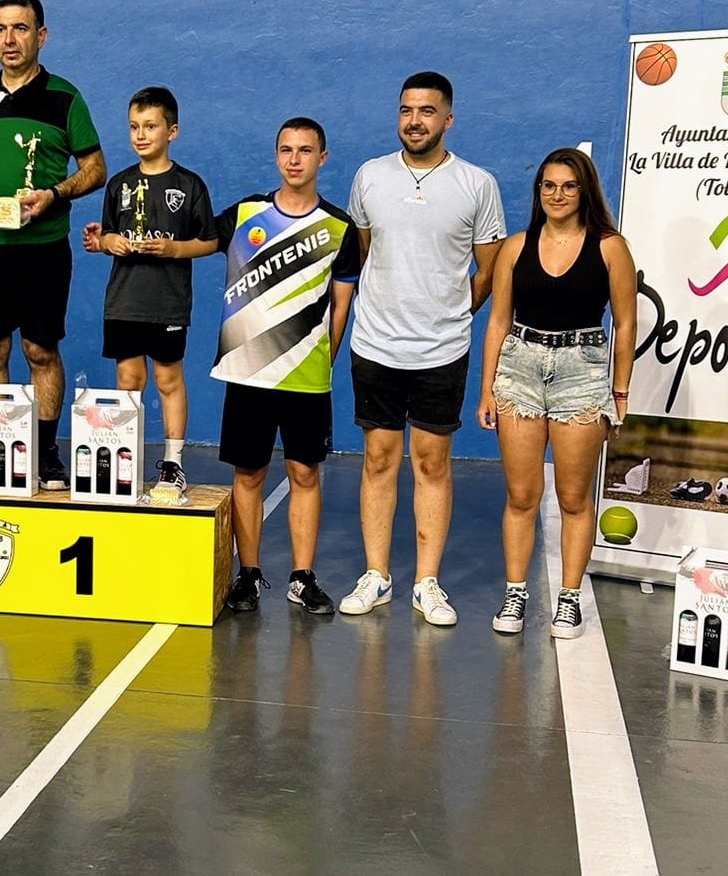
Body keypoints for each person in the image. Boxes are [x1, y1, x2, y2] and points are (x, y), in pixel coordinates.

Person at [339, 72, 505, 624]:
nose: (415, 121)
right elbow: (362, 254)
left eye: (427, 111)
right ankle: (377, 576)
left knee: (432, 463)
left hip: (442, 350)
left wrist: (451, 314)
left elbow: (488, 270)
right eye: (407, 110)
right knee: (378, 459)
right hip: (375, 344)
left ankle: (427, 583)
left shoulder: (477, 184)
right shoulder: (370, 176)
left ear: (448, 119)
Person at [0, 0, 106, 489]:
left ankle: (45, 452)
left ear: (41, 35)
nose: (9, 39)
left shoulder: (66, 97)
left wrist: (54, 194)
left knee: (40, 351)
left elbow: (95, 168)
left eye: (20, 28)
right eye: (0, 29)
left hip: (44, 249)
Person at [476, 148, 636, 638]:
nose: (557, 194)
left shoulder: (610, 248)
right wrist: (487, 390)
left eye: (568, 186)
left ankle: (569, 599)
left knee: (572, 496)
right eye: (548, 185)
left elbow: (626, 322)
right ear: (538, 191)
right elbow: (497, 321)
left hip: (581, 374)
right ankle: (515, 594)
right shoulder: (515, 247)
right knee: (522, 495)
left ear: (584, 191)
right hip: (519, 369)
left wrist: (619, 392)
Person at [214, 118, 360, 616]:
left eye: (305, 150)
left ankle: (302, 577)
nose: (294, 159)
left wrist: (321, 360)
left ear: (322, 158)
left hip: (306, 377)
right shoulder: (246, 214)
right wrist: (120, 241)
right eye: (286, 150)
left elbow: (341, 306)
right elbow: (192, 243)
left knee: (304, 473)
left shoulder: (340, 228)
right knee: (249, 474)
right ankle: (248, 575)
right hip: (249, 371)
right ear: (276, 156)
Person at [81, 87, 216, 505]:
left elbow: (210, 241)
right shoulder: (119, 184)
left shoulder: (189, 185)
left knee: (167, 380)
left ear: (172, 131)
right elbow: (105, 236)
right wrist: (106, 242)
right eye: (134, 127)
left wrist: (175, 249)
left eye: (150, 126)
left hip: (167, 303)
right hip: (124, 301)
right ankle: (125, 459)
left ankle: (173, 464)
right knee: (128, 380)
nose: (141, 135)